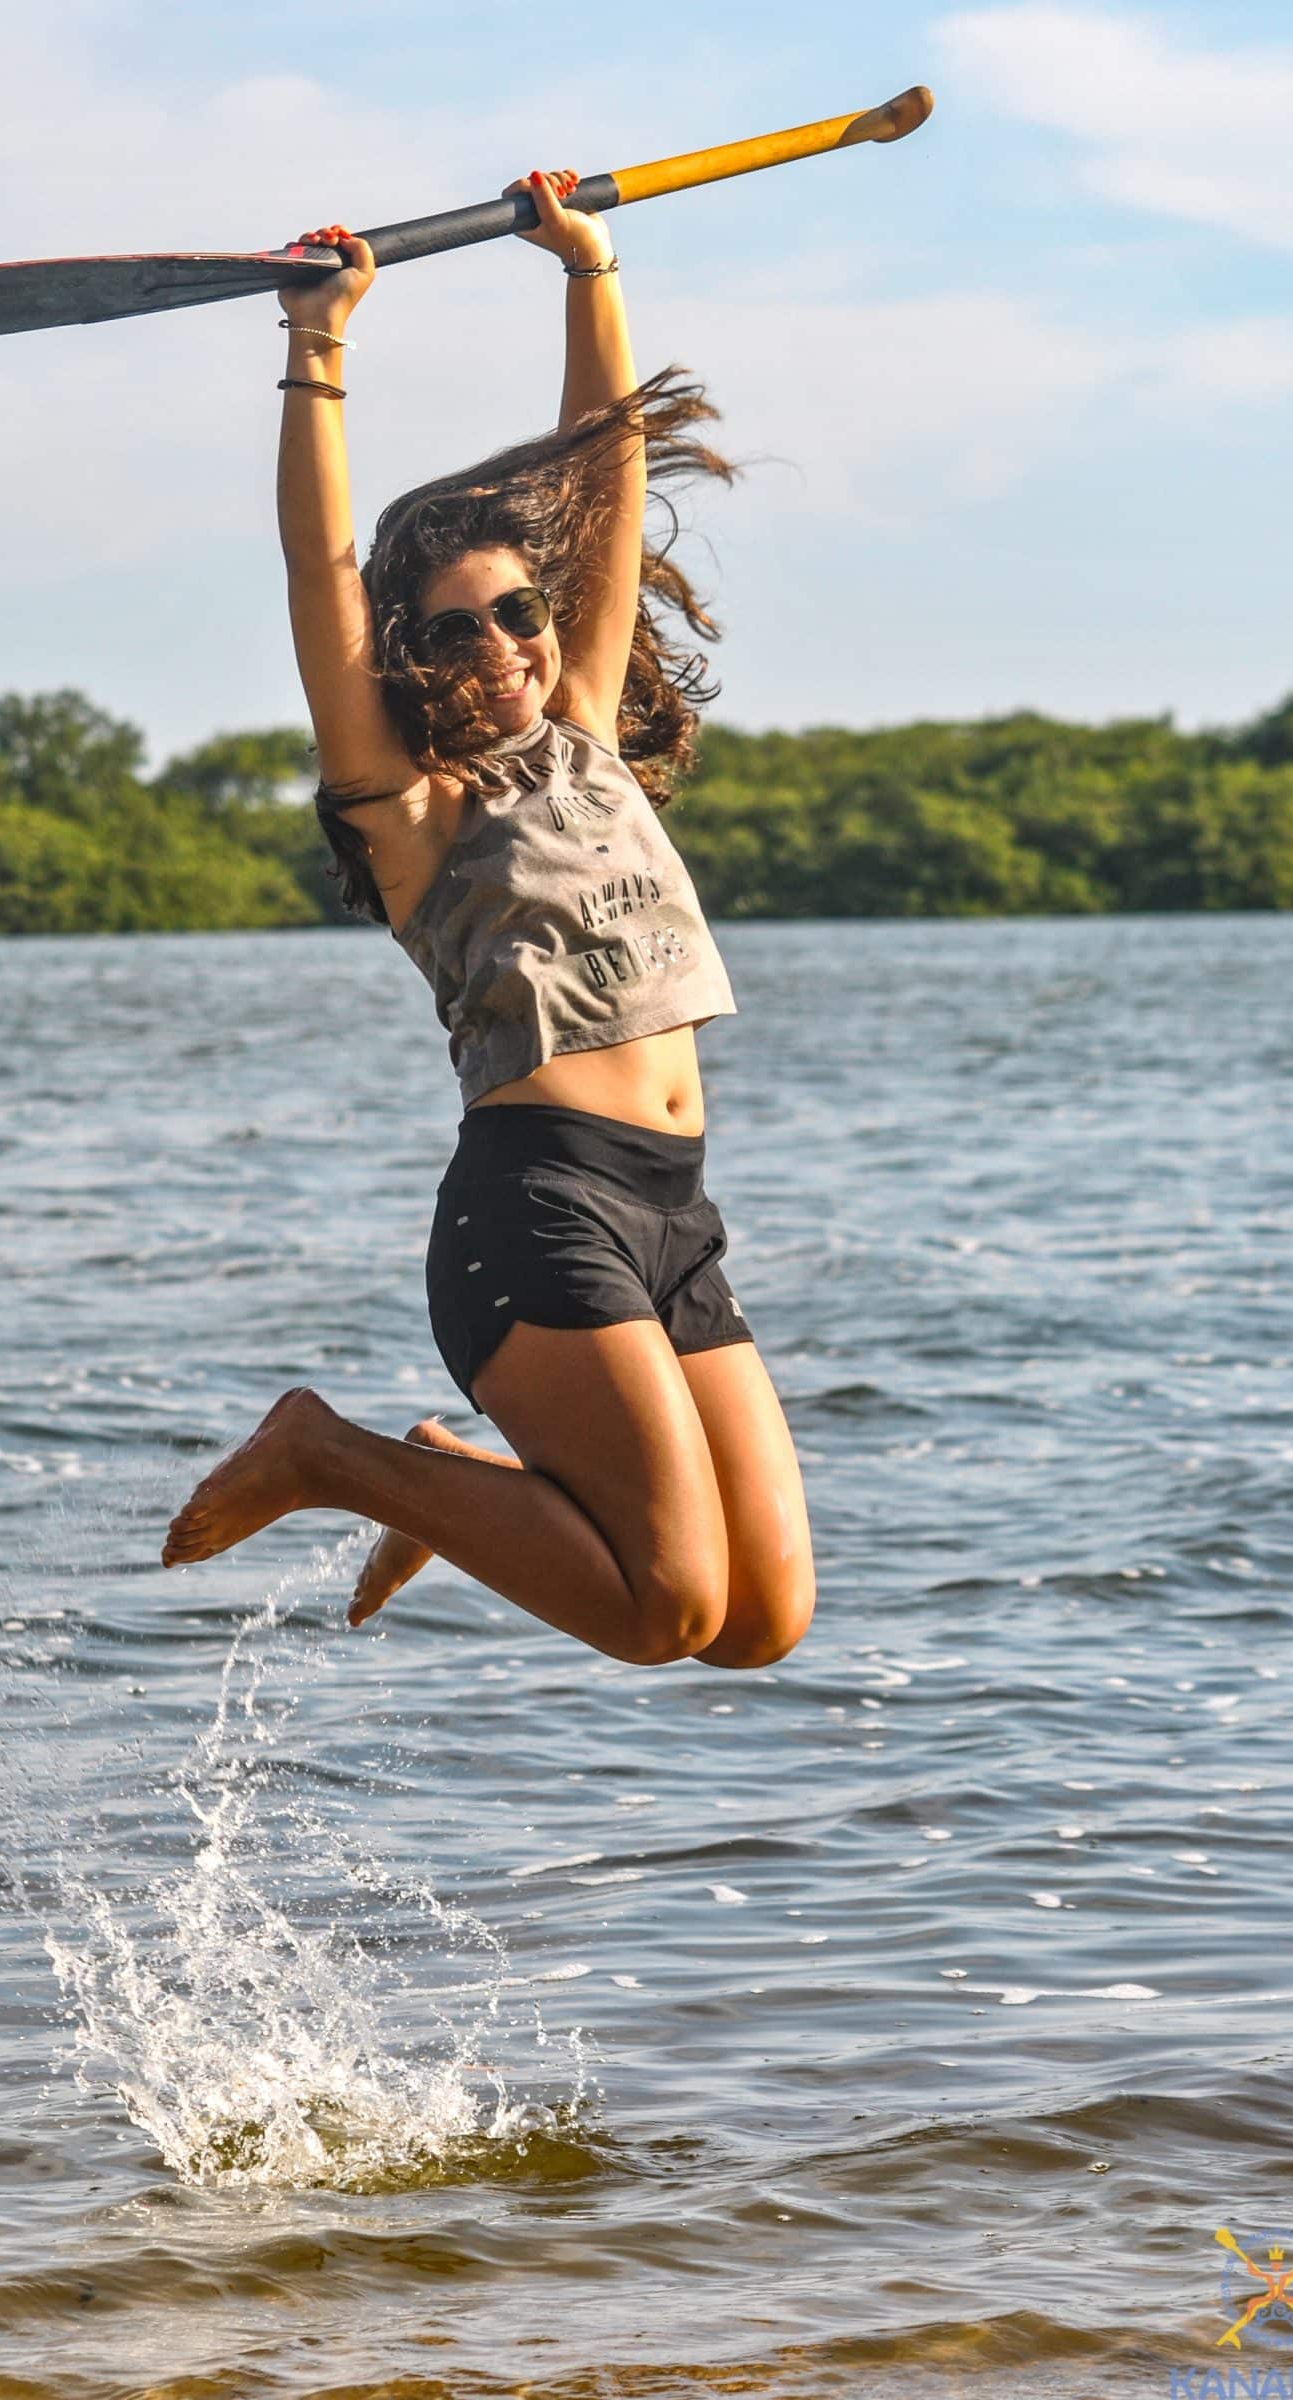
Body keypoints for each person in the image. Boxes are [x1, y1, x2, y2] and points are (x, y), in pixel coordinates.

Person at [162, 166, 814, 1670]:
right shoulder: (409, 812)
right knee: (661, 1611)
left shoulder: (582, 731)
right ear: (409, 654)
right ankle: (324, 1454)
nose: (506, 643)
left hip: (673, 1212)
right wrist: (316, 344)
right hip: (537, 1208)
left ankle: (447, 1483)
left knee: (757, 1626)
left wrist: (583, 268)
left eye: (519, 611)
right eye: (455, 628)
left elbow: (604, 477)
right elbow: (313, 570)